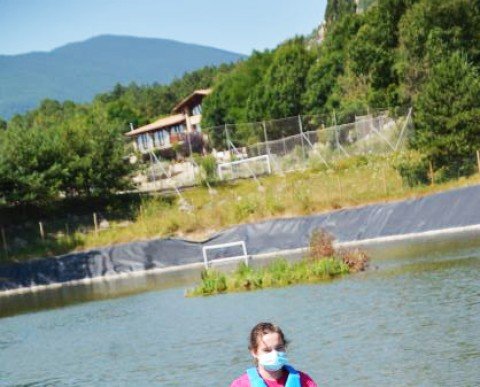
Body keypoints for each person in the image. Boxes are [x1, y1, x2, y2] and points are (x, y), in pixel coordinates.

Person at [231, 322, 317, 387]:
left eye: (279, 348)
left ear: (284, 347)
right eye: (267, 350)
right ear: (254, 352)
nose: (274, 354)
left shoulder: (304, 381)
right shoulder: (241, 384)